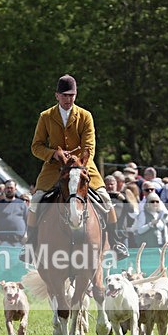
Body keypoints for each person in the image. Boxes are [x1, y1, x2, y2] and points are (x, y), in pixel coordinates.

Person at [24, 74, 112, 260]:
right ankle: (30, 245)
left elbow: (90, 147)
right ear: (57, 96)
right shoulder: (46, 117)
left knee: (106, 199)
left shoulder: (85, 116)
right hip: (54, 168)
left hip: (83, 166)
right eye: (64, 95)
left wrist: (77, 161)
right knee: (36, 201)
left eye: (71, 95)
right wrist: (54, 154)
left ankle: (116, 241)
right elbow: (36, 147)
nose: (68, 99)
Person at [0, 179, 27, 246]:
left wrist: (25, 237)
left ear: (15, 190)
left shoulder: (22, 204)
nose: (9, 190)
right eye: (7, 188)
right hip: (3, 243)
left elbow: (28, 223)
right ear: (4, 190)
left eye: (11, 188)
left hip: (20, 242)